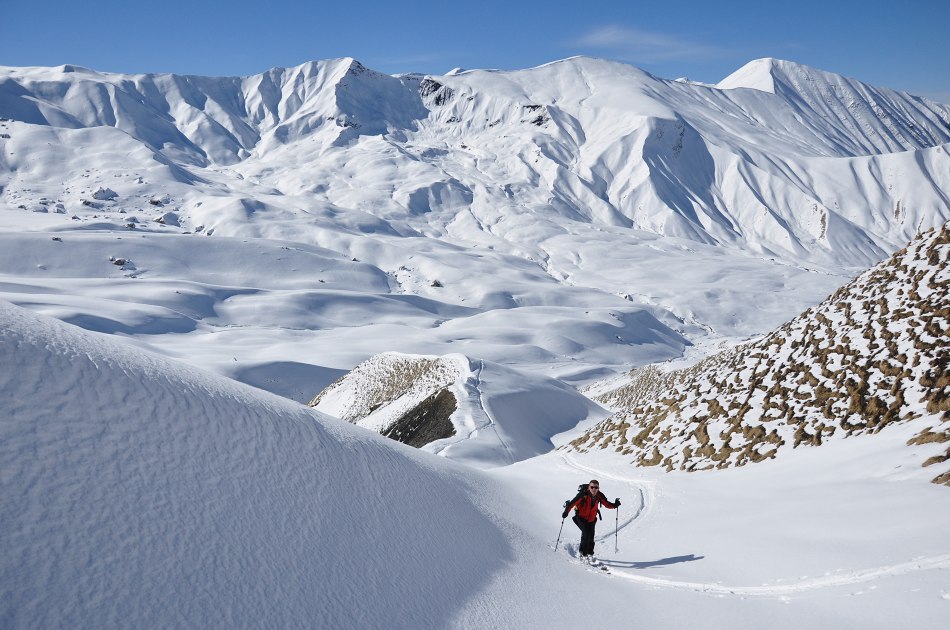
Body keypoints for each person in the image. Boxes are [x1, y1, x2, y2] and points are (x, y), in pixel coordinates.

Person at [561, 479, 620, 562]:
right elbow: (572, 503)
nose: (594, 489)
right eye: (592, 487)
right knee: (586, 534)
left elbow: (606, 504)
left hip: (592, 519)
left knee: (591, 536)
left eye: (596, 487)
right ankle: (583, 554)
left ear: (598, 488)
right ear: (589, 487)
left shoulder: (599, 495)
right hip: (580, 518)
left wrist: (615, 505)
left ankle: (590, 553)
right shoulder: (583, 495)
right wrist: (566, 512)